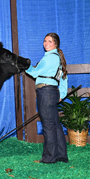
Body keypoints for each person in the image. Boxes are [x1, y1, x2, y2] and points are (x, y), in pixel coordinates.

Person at [25, 33, 69, 163]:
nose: (46, 44)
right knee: (55, 124)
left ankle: (49, 157)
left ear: (55, 44)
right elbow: (63, 78)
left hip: (45, 92)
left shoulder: (49, 58)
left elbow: (35, 72)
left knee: (48, 125)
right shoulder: (58, 58)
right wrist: (61, 94)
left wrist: (25, 65)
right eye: (45, 41)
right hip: (53, 92)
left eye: (49, 41)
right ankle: (61, 154)